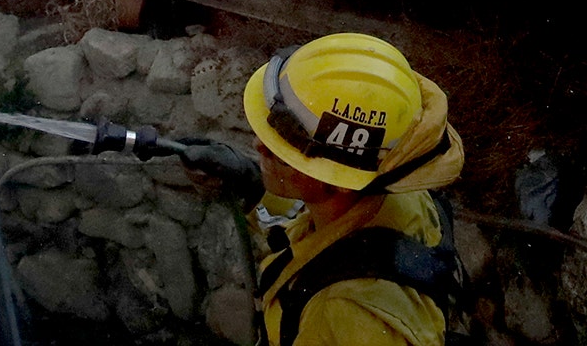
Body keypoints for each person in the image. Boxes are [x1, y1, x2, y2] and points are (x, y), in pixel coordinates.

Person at [180, 33, 466, 346]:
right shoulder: (391, 184)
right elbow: (317, 233)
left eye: (282, 153)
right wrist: (255, 193)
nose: (257, 145)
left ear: (342, 183)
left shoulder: (341, 317)